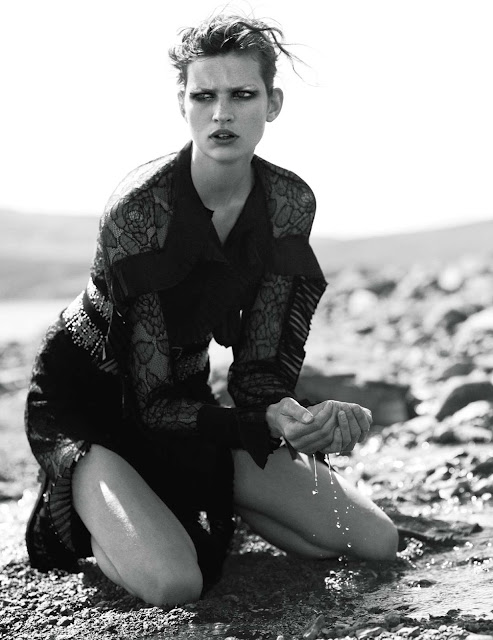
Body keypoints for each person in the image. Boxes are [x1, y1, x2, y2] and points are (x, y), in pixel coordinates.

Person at [25, 13, 398, 607]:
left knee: (375, 542)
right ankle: (75, 507)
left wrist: (293, 417)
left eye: (242, 95)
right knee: (177, 583)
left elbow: (259, 369)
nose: (222, 113)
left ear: (273, 104)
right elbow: (148, 407)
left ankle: (194, 503)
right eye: (204, 96)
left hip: (184, 400)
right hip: (91, 406)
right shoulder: (139, 210)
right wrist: (257, 424)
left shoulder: (288, 201)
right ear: (184, 104)